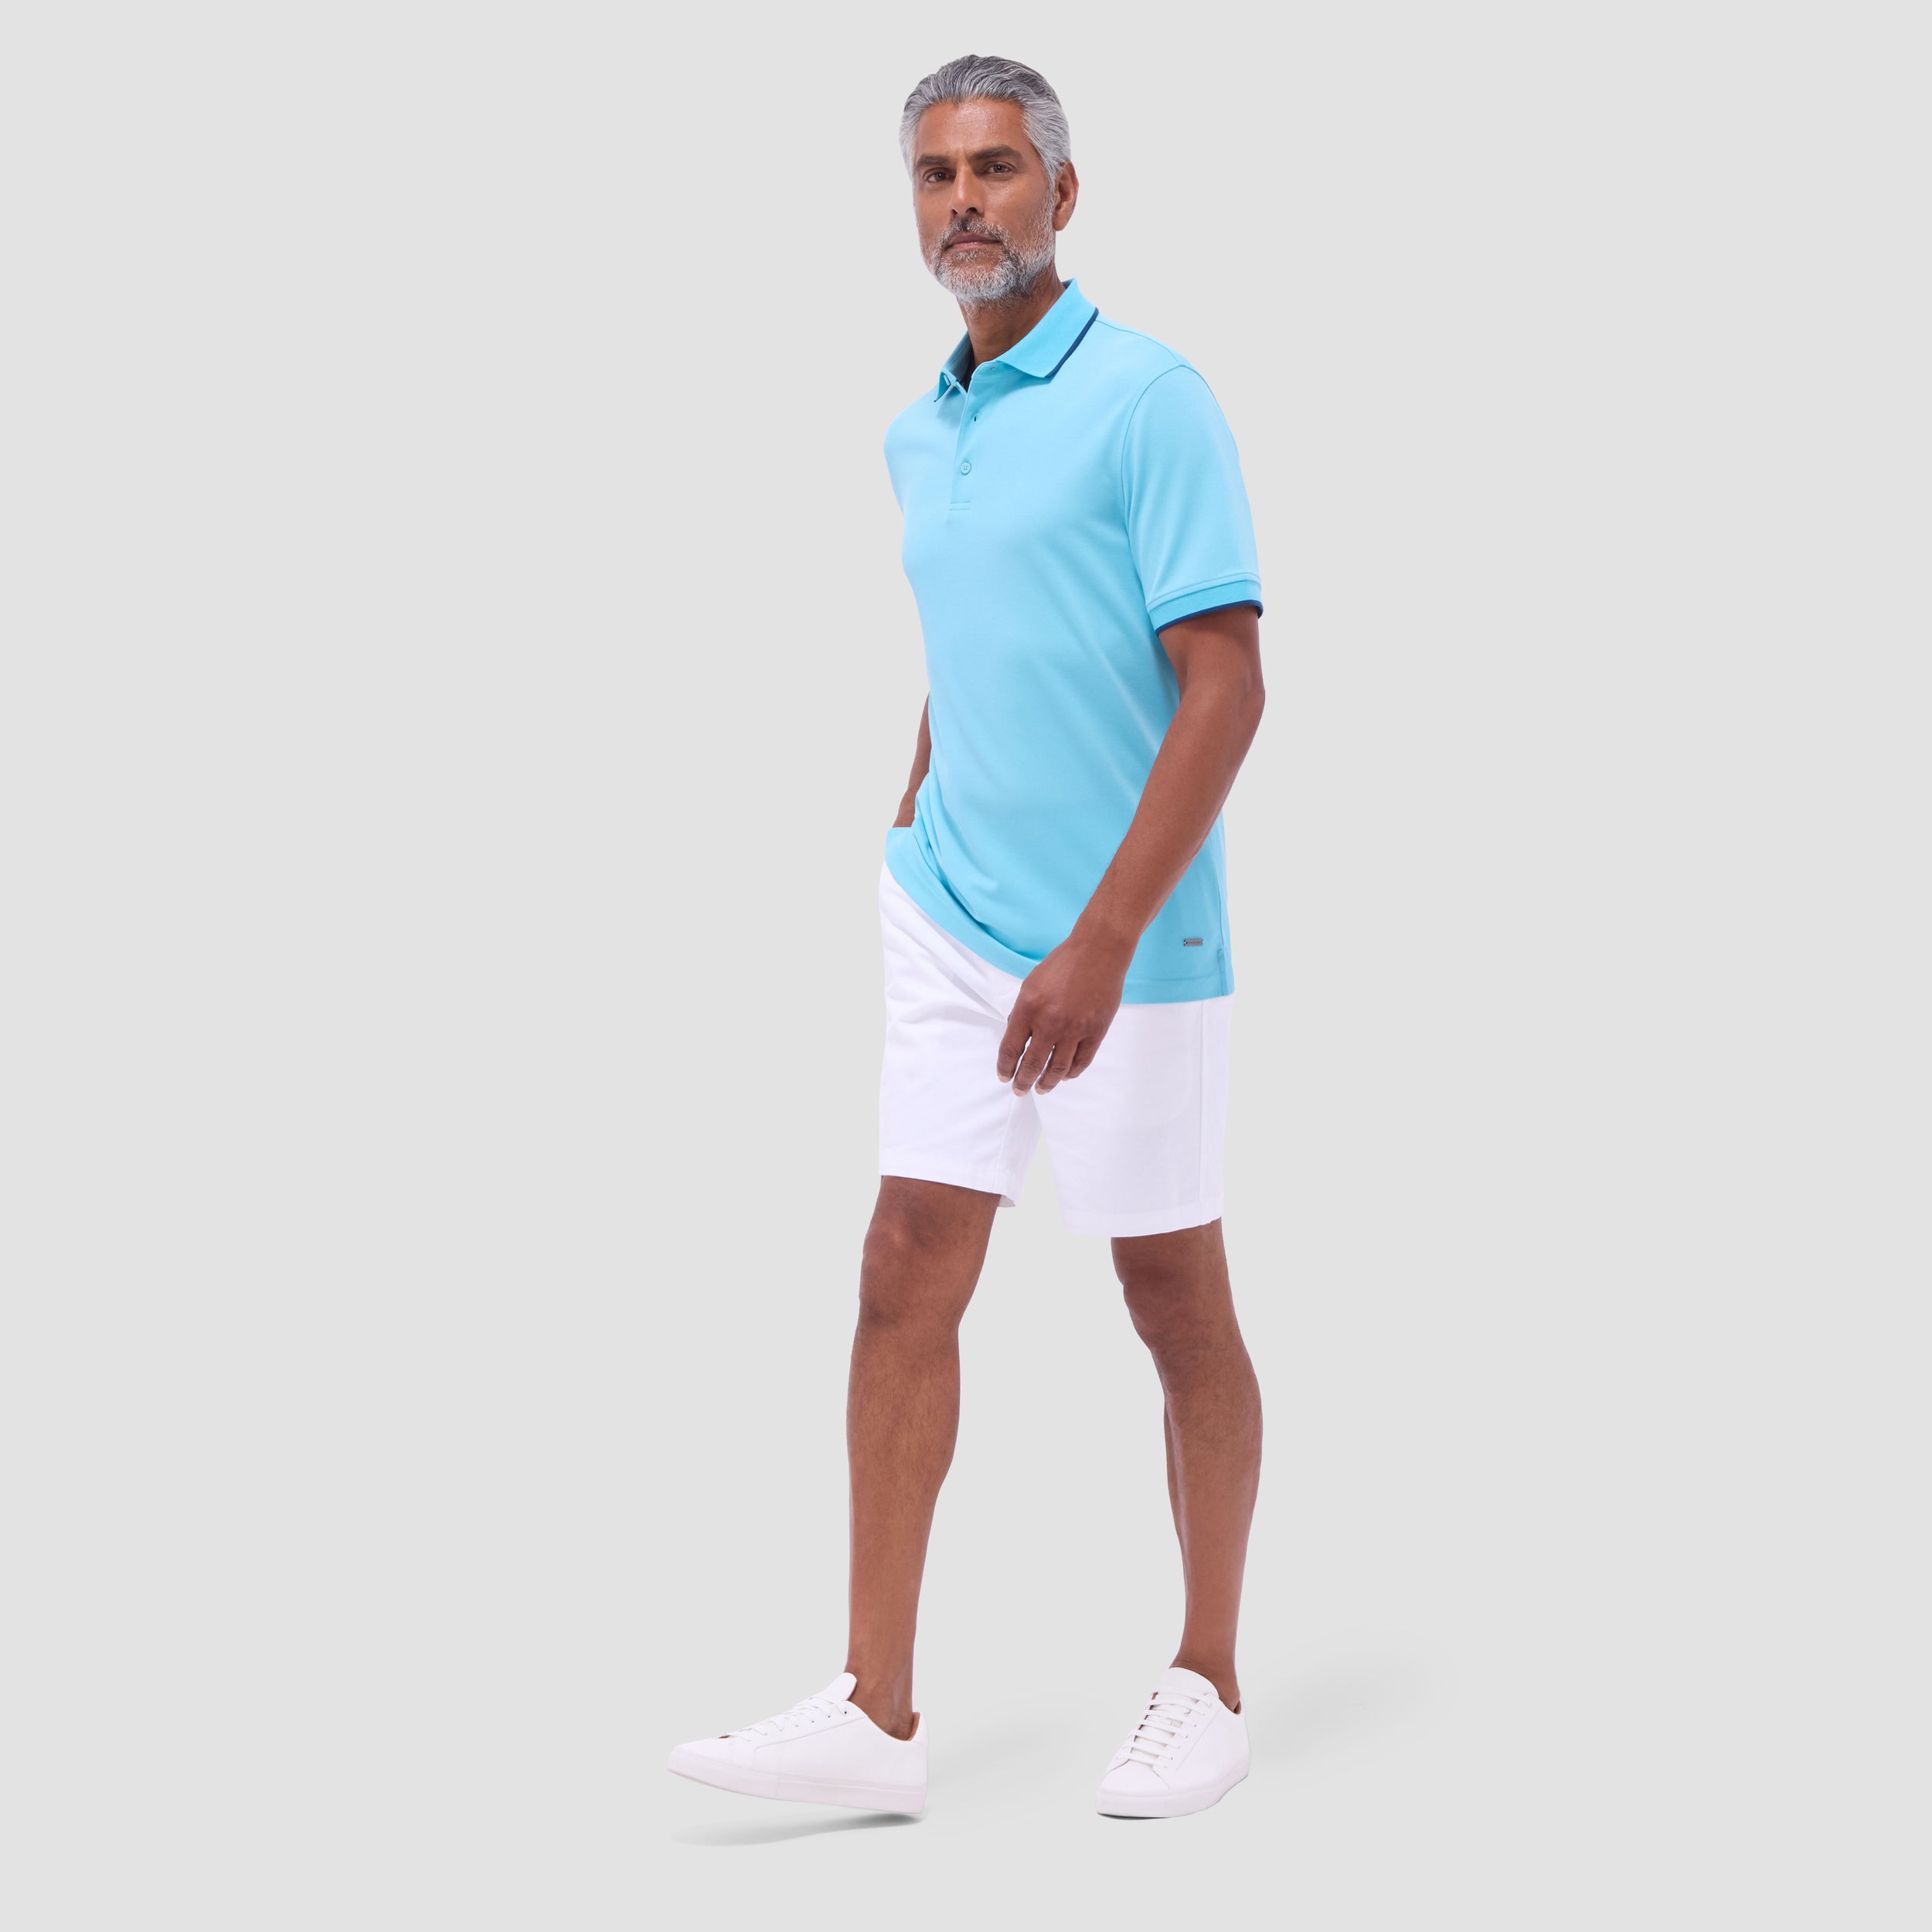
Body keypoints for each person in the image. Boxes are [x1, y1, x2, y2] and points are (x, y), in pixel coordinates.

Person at [669, 54, 1267, 1821]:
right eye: (934, 175)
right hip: (944, 917)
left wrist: (1097, 940)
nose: (962, 203)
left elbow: (1224, 686)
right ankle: (874, 1710)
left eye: (996, 169)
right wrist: (912, 805)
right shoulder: (916, 432)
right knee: (899, 1270)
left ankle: (1209, 1676)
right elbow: (984, 641)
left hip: (1123, 941)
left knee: (1168, 1294)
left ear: (1060, 195)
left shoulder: (1150, 400)